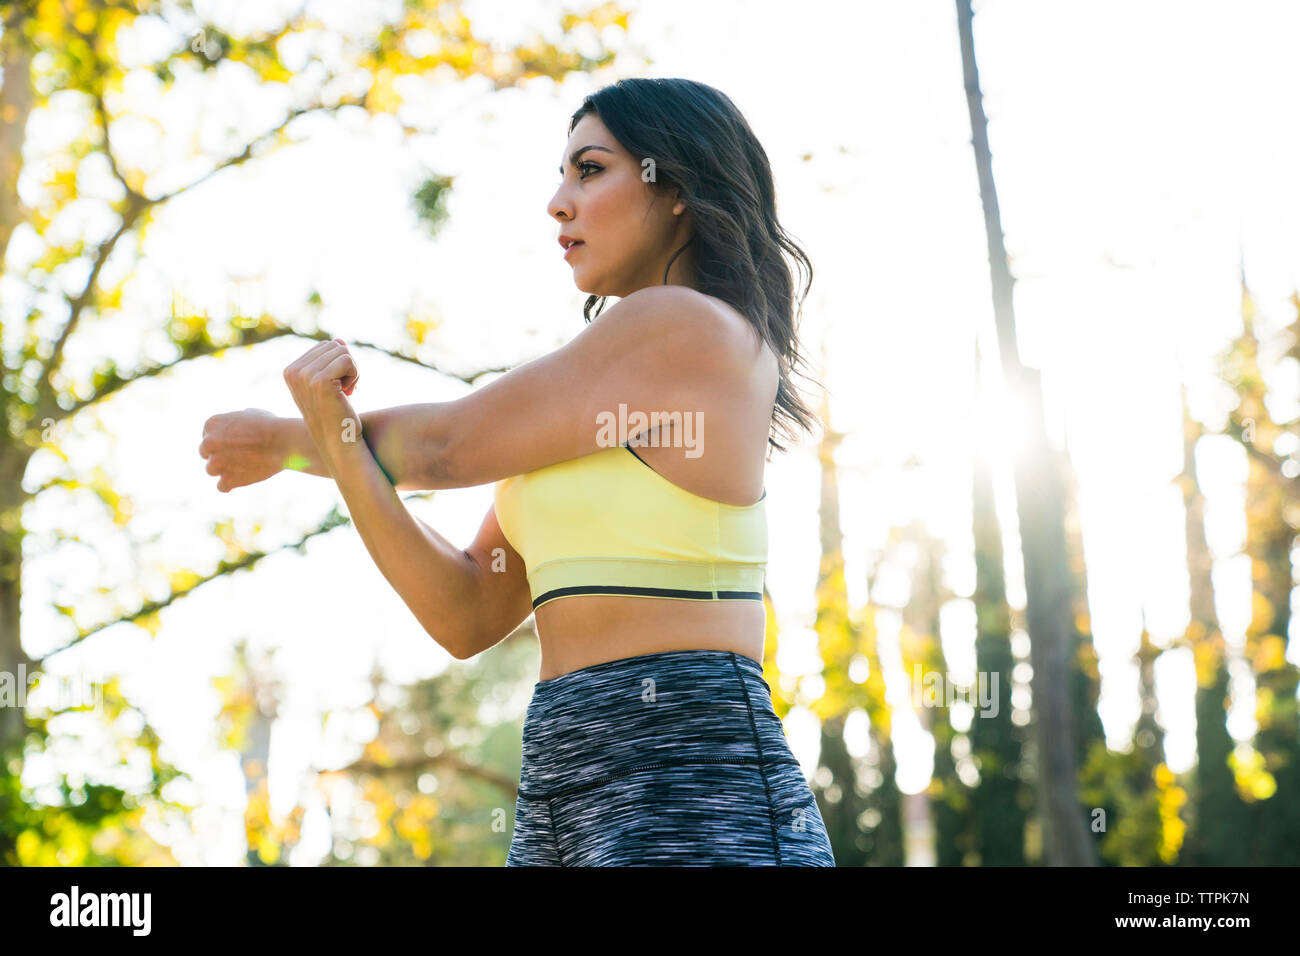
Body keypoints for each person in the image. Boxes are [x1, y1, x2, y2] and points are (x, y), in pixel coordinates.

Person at [199, 77, 833, 866]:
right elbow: (463, 611)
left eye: (590, 169)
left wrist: (288, 441)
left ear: (674, 187)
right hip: (559, 776)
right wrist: (332, 442)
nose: (558, 202)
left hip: (685, 764)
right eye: (562, 174)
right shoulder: (591, 401)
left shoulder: (691, 326)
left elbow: (448, 450)